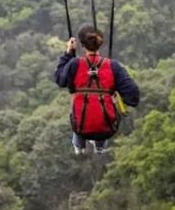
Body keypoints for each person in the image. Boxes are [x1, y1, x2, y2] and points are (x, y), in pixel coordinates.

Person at [54, 25, 139, 154]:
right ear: (100, 44)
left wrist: (69, 53)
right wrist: (116, 93)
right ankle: (100, 147)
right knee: (102, 112)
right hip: (106, 128)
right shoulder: (112, 66)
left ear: (82, 45)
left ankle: (79, 146)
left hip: (81, 127)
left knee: (78, 109)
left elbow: (60, 79)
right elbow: (133, 96)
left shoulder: (75, 64)